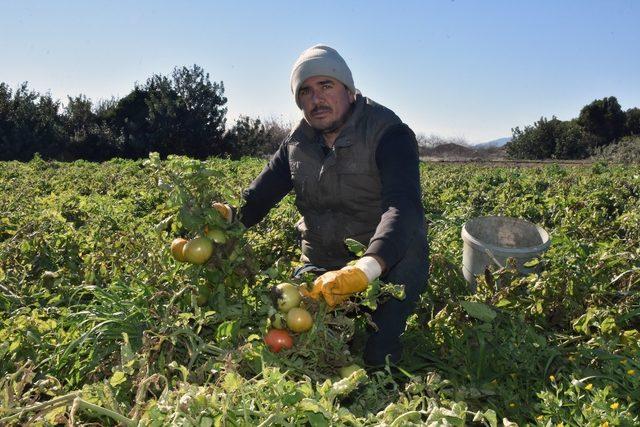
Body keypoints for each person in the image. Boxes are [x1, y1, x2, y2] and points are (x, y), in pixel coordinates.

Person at [216, 44, 429, 366]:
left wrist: (367, 266)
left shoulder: (389, 132)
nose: (316, 99)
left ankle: (384, 337)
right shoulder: (296, 143)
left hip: (383, 264)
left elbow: (403, 206)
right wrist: (227, 217)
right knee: (303, 349)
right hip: (321, 265)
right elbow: (258, 200)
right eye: (305, 91)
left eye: (326, 86)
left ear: (349, 90)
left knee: (376, 358)